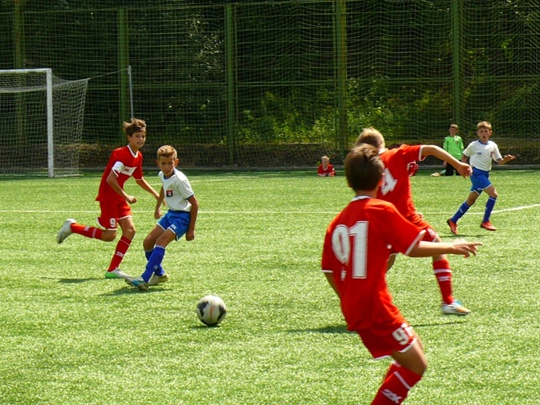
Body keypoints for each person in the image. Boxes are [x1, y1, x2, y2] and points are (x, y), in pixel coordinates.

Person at [322, 144, 482, 404]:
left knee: (411, 354)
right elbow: (413, 247)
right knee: (417, 364)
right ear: (381, 179)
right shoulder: (380, 210)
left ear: (349, 181)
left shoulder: (337, 222)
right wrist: (451, 246)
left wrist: (348, 297)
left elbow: (329, 271)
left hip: (354, 307)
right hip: (377, 308)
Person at [355, 127, 473, 315]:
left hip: (379, 223)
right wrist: (458, 164)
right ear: (382, 143)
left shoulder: (366, 167)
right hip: (405, 219)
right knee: (438, 245)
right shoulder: (398, 154)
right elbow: (432, 149)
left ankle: (362, 300)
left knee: (386, 261)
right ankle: (448, 301)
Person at [56, 118, 160, 279]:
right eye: (137, 136)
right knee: (109, 235)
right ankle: (73, 227)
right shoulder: (120, 154)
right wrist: (126, 196)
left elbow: (139, 179)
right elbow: (111, 179)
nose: (141, 139)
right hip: (109, 197)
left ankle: (113, 269)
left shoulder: (138, 156)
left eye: (143, 136)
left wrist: (155, 194)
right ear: (129, 137)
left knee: (130, 231)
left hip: (118, 197)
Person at [126, 145, 199, 291]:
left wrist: (191, 229)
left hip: (182, 217)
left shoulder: (180, 180)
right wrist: (158, 207)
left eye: (170, 163)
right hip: (170, 214)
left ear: (176, 162)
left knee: (161, 242)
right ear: (158, 163)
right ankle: (159, 274)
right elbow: (164, 188)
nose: (167, 167)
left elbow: (195, 204)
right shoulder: (161, 175)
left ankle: (144, 278)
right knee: (148, 242)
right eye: (163, 163)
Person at [447, 121, 515, 234]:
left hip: (485, 174)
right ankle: (485, 221)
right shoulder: (473, 145)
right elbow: (464, 156)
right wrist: (464, 167)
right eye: (481, 131)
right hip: (476, 173)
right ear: (478, 133)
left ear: (490, 132)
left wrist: (506, 160)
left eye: (486, 131)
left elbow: (499, 161)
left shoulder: (493, 145)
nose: (484, 133)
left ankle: (453, 220)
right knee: (493, 194)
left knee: (470, 200)